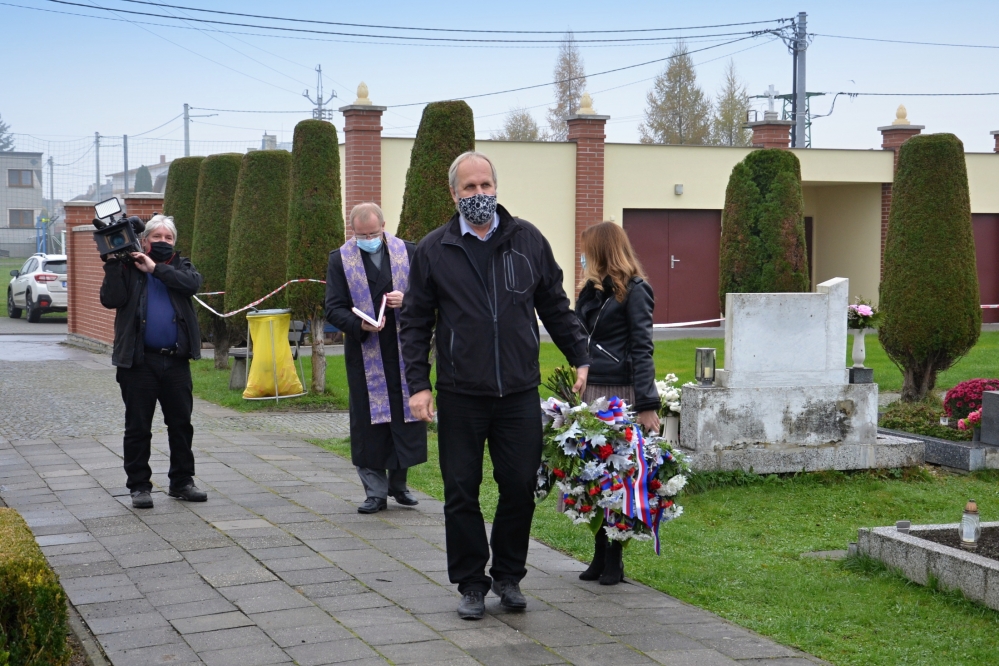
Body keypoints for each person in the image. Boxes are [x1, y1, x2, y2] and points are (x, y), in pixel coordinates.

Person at [399, 151, 590, 620]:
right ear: (454, 193)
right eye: (470, 187)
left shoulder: (527, 240)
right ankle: (470, 583)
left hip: (518, 392)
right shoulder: (434, 249)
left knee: (520, 485)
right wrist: (418, 385)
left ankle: (508, 576)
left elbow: (554, 305)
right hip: (461, 393)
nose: (479, 194)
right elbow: (415, 322)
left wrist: (580, 356)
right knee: (460, 490)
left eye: (485, 185)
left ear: (496, 186)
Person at [99, 214, 207, 509]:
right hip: (138, 361)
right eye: (156, 237)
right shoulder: (128, 268)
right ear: (144, 240)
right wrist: (113, 265)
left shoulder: (181, 266)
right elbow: (110, 299)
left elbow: (191, 284)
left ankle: (182, 482)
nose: (162, 241)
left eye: (168, 237)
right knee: (138, 427)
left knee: (181, 425)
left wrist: (155, 268)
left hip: (176, 362)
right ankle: (139, 486)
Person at [325, 203, 426, 514]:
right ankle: (375, 492)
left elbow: (428, 297)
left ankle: (399, 485)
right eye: (362, 235)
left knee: (404, 417)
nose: (368, 239)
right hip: (365, 351)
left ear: (384, 226)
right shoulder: (340, 259)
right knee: (369, 424)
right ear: (352, 231)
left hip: (403, 350)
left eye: (373, 233)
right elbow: (333, 308)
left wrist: (407, 299)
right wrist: (359, 325)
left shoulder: (408, 252)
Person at [574, 221, 659, 585]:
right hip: (591, 391)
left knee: (618, 478)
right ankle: (598, 552)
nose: (583, 258)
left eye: (587, 251)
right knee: (593, 477)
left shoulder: (636, 291)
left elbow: (642, 347)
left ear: (602, 251)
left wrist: (647, 403)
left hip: (620, 393)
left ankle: (615, 558)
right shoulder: (591, 292)